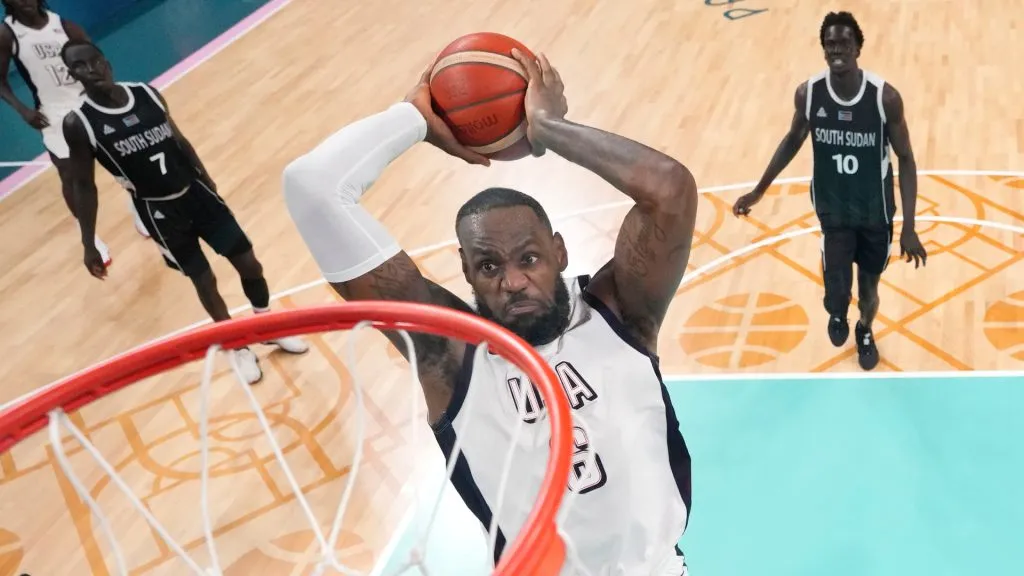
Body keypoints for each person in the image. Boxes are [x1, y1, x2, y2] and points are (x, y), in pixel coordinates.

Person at [283, 48, 697, 574]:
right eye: (489, 266)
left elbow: (670, 190)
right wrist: (414, 117)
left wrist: (549, 128)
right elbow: (311, 188)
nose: (513, 281)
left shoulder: (622, 313)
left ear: (560, 253)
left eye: (529, 258)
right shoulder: (453, 357)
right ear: (467, 273)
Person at [59, 39, 308, 383]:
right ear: (71, 74)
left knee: (249, 262)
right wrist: (88, 241)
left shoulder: (145, 93)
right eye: (79, 67)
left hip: (197, 193)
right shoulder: (80, 123)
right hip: (160, 211)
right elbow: (84, 185)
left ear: (106, 62)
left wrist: (208, 181)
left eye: (93, 62)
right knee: (203, 279)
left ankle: (265, 324)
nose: (90, 70)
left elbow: (179, 140)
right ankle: (237, 347)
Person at [732, 11, 927, 371]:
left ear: (858, 48)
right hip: (834, 213)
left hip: (875, 214)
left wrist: (910, 227)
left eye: (844, 43)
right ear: (824, 48)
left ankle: (865, 328)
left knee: (869, 292)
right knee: (836, 294)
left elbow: (907, 159)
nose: (837, 50)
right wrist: (759, 190)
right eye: (830, 44)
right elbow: (792, 139)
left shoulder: (885, 98)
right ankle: (837, 311)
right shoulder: (810, 94)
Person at [0, 0, 147, 266]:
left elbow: (100, 63)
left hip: (88, 106)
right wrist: (23, 110)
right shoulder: (7, 34)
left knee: (127, 162)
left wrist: (110, 97)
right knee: (71, 176)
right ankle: (89, 236)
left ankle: (138, 208)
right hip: (53, 115)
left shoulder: (65, 26)